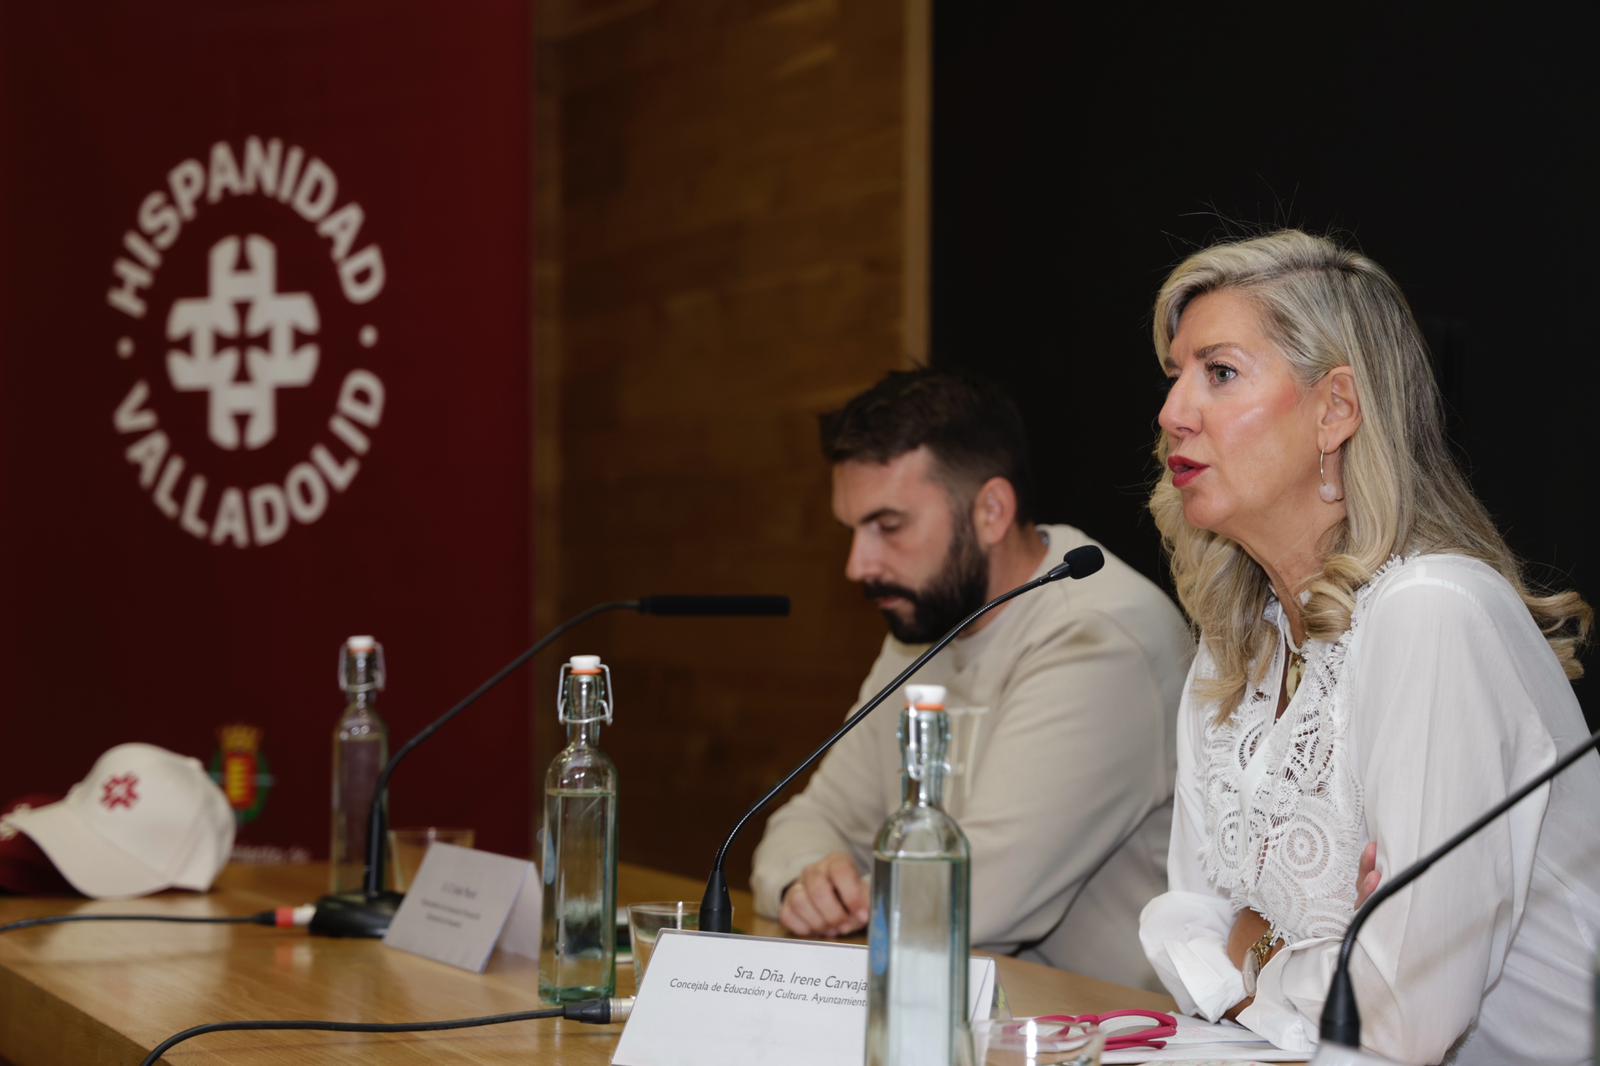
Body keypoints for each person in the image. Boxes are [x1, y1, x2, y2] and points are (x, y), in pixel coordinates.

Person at [1136, 230, 1599, 1064]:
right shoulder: (1236, 649)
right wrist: (1307, 953)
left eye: (1220, 372)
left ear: (1337, 410)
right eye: (1175, 376)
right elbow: (1181, 928)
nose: (1174, 413)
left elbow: (1400, 1017)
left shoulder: (1431, 612)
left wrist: (1254, 952)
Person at [750, 368, 1194, 989]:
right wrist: (807, 879)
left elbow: (974, 903)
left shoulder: (1100, 635)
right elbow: (805, 823)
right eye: (853, 531)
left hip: (1108, 1027)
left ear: (990, 511)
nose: (858, 565)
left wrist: (851, 897)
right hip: (971, 1008)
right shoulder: (924, 629)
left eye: (888, 526)